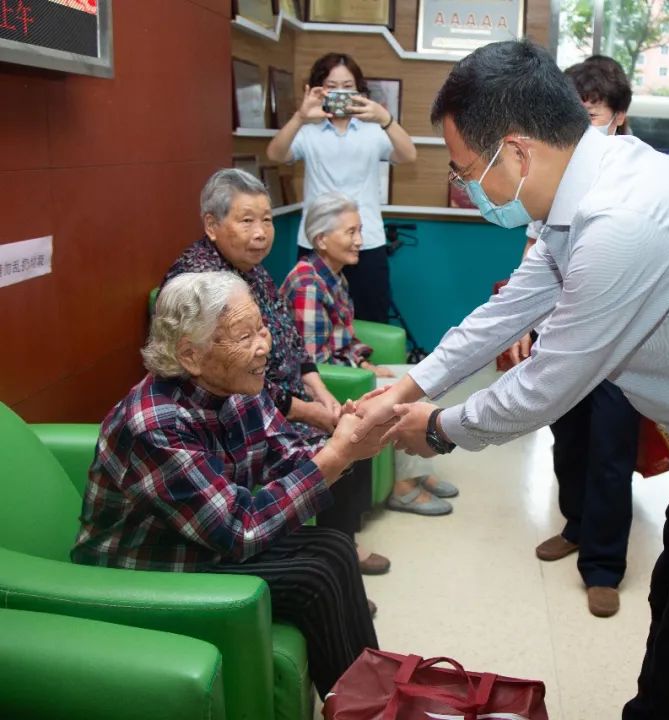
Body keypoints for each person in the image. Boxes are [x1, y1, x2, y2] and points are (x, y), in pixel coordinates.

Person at [346, 40, 669, 719]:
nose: (469, 191)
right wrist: (410, 387)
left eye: (469, 172)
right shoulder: (578, 198)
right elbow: (506, 312)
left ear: (518, 151)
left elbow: (547, 384)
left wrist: (436, 430)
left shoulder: (623, 219)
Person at [72, 272, 387, 698]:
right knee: (315, 577)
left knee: (332, 545)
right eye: (245, 335)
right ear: (191, 355)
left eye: (261, 328)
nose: (265, 345)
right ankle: (363, 707)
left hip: (201, 539)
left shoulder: (239, 387)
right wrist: (336, 455)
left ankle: (380, 702)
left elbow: (290, 460)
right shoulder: (155, 424)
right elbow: (239, 530)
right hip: (143, 568)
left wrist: (350, 439)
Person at [162, 169, 390, 575]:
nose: (262, 232)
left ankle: (339, 546)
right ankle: (325, 556)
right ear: (212, 225)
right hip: (240, 413)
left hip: (280, 400)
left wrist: (321, 393)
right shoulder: (199, 282)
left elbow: (294, 346)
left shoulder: (257, 273)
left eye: (267, 219)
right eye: (246, 220)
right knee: (338, 436)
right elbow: (230, 377)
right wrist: (309, 412)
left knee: (350, 426)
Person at [507, 55, 641, 619]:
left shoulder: (636, 175)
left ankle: (604, 566)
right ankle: (576, 525)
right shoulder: (554, 175)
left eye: (595, 112)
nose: (584, 123)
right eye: (575, 113)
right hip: (561, 334)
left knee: (612, 452)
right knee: (569, 440)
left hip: (616, 345)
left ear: (619, 115)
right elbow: (534, 250)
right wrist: (523, 324)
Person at [281, 192, 458, 516]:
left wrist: (363, 360)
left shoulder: (333, 275)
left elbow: (341, 337)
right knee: (399, 391)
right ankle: (403, 488)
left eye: (360, 230)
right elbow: (311, 361)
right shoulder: (307, 283)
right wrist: (364, 371)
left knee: (410, 379)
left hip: (345, 367)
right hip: (325, 385)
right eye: (351, 232)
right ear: (321, 239)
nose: (360, 240)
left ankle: (414, 473)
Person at [267, 52, 418, 324]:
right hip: (316, 240)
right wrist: (300, 117)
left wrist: (385, 119)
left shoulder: (373, 130)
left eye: (347, 87)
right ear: (316, 89)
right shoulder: (308, 129)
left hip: (366, 241)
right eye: (331, 86)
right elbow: (276, 154)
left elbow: (408, 155)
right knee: (312, 320)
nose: (340, 93)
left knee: (372, 318)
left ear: (360, 91)